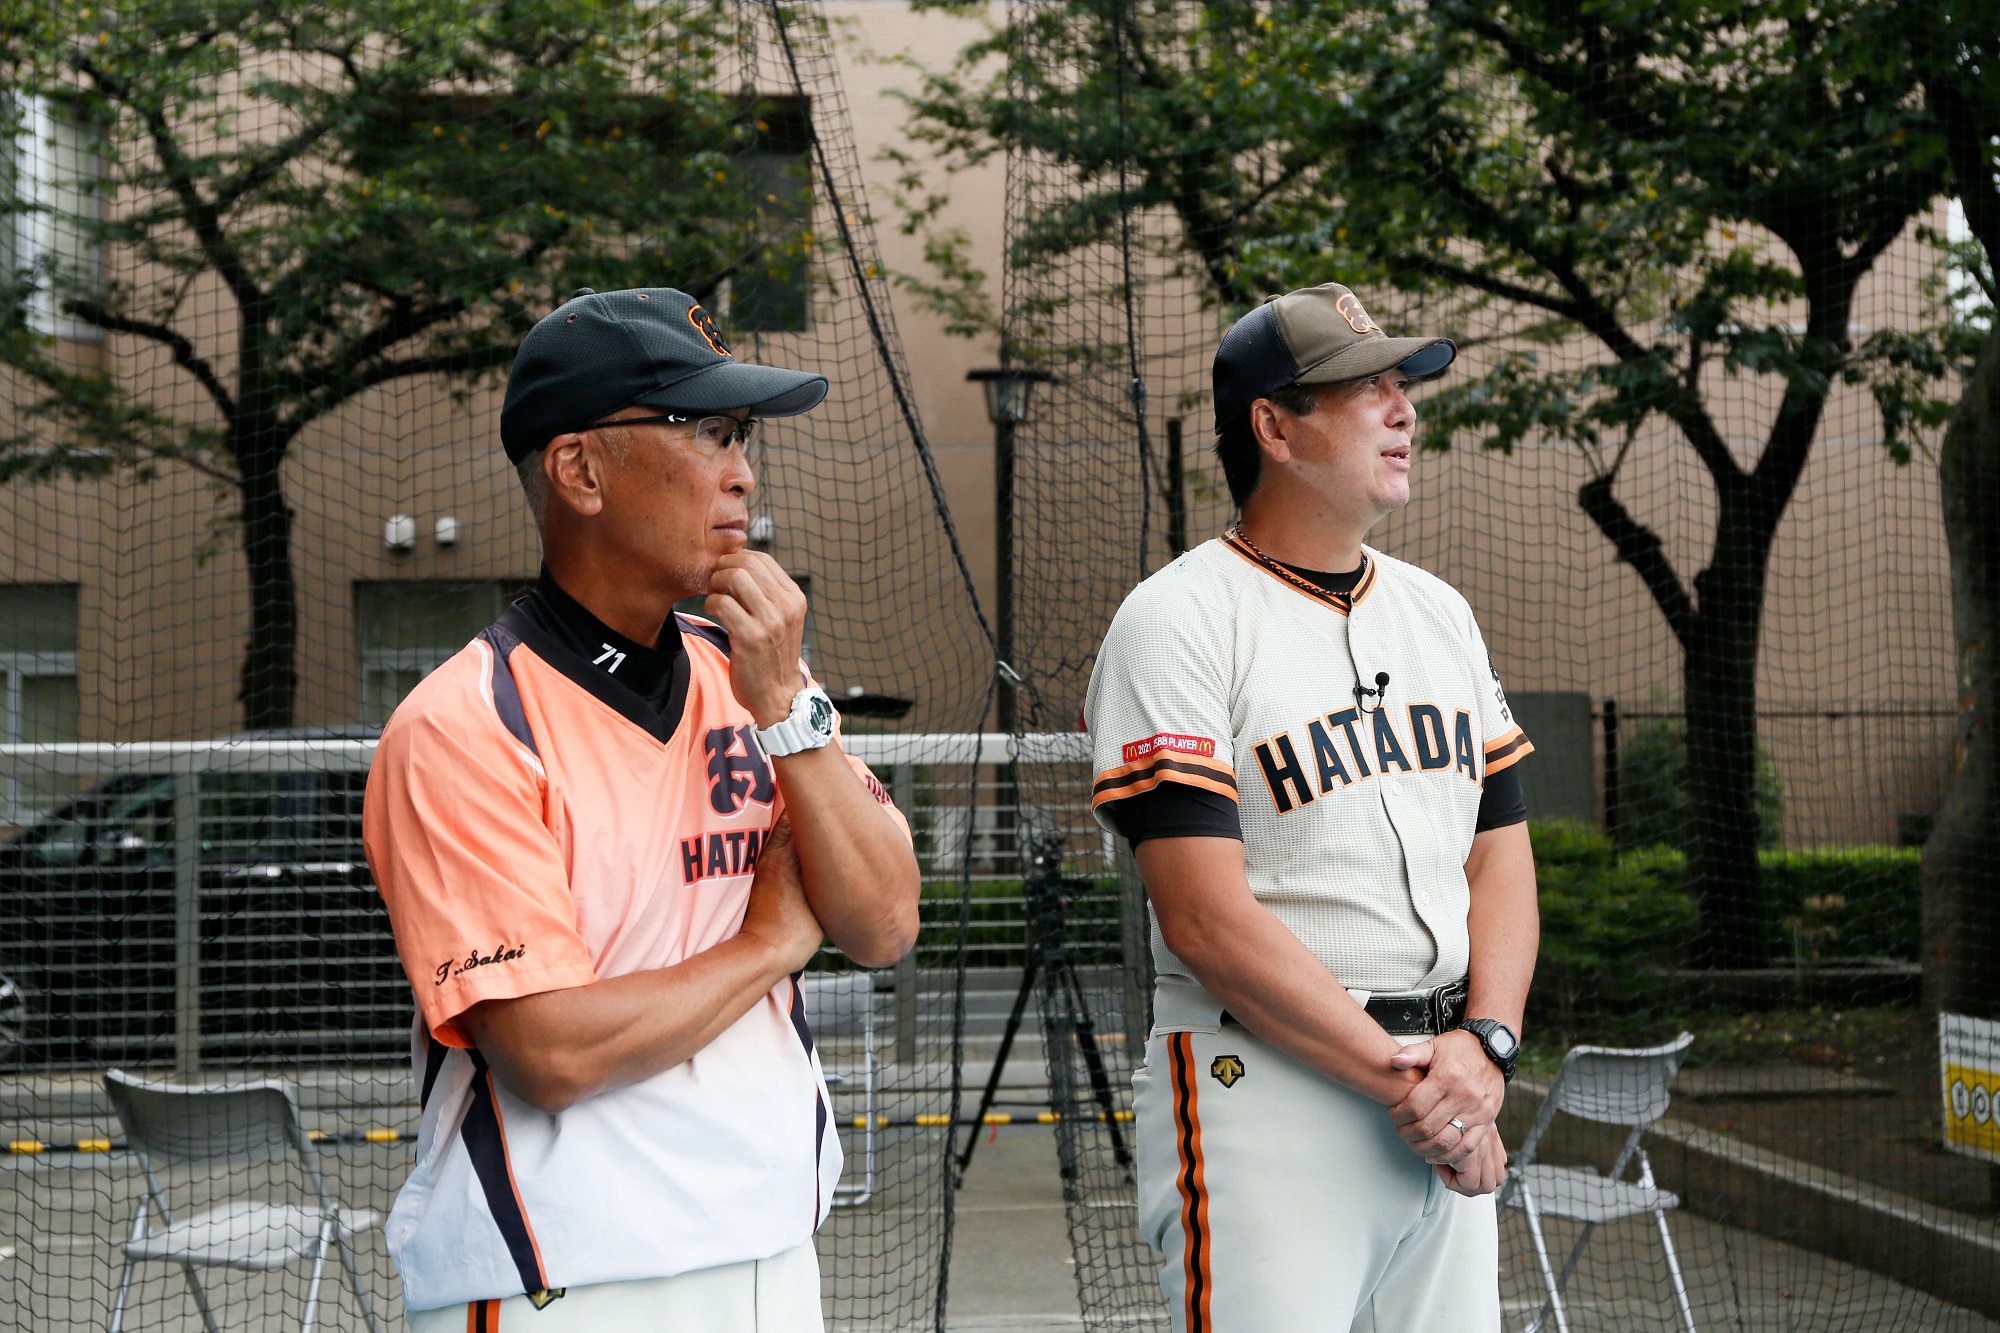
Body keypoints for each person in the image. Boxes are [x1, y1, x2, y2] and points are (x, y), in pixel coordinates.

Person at [363, 286, 920, 1331]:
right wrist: (766, 946)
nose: (741, 469)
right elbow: (551, 1053)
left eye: (740, 433)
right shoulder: (461, 722)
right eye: (703, 430)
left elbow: (883, 923)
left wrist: (788, 711)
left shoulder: (753, 674)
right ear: (578, 469)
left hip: (769, 1247)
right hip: (563, 1272)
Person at [1084, 282, 1539, 1331]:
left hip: (1441, 1081)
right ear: (1272, 427)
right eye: (1362, 386)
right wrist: (1418, 1087)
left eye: (1402, 382)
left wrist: (1488, 1050)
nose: (1401, 407)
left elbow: (1498, 861)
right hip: (1269, 1090)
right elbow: (1204, 917)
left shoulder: (1439, 614)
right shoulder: (1176, 619)